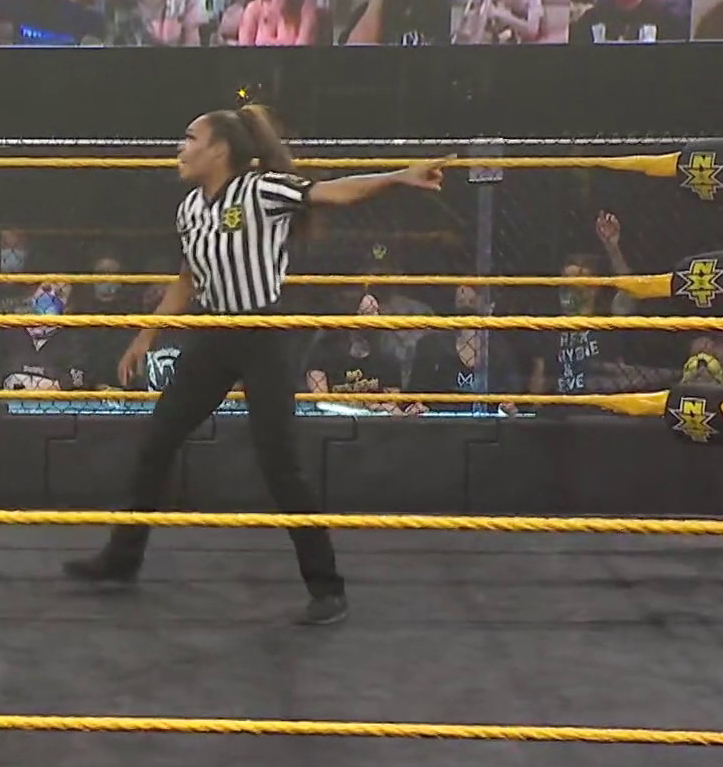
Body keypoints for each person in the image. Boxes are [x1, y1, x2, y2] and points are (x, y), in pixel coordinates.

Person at [62, 104, 443, 625]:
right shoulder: (189, 209)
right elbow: (188, 279)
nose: (181, 148)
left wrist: (399, 176)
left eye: (190, 138)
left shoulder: (261, 190)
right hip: (213, 336)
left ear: (219, 150)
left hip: (262, 335)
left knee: (280, 462)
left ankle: (327, 587)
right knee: (158, 438)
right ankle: (122, 559)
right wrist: (145, 336)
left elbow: (333, 192)